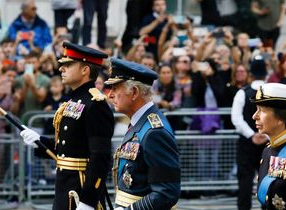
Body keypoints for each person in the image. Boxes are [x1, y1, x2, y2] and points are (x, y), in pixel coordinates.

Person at [20, 42, 114, 210]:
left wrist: (88, 201)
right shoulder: (72, 101)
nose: (61, 69)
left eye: (68, 65)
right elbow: (69, 148)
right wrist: (39, 141)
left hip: (80, 189)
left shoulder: (95, 104)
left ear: (85, 70)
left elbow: (100, 158)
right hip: (64, 185)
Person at [106, 58, 180, 210]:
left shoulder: (155, 132)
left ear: (134, 92)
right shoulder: (139, 122)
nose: (110, 95)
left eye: (115, 89)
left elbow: (167, 193)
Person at [231, 57, 268, 210]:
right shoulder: (272, 92)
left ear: (250, 74)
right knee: (268, 181)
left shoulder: (242, 92)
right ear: (265, 74)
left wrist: (252, 135)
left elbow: (236, 118)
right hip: (268, 142)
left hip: (247, 143)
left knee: (245, 182)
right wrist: (264, 135)